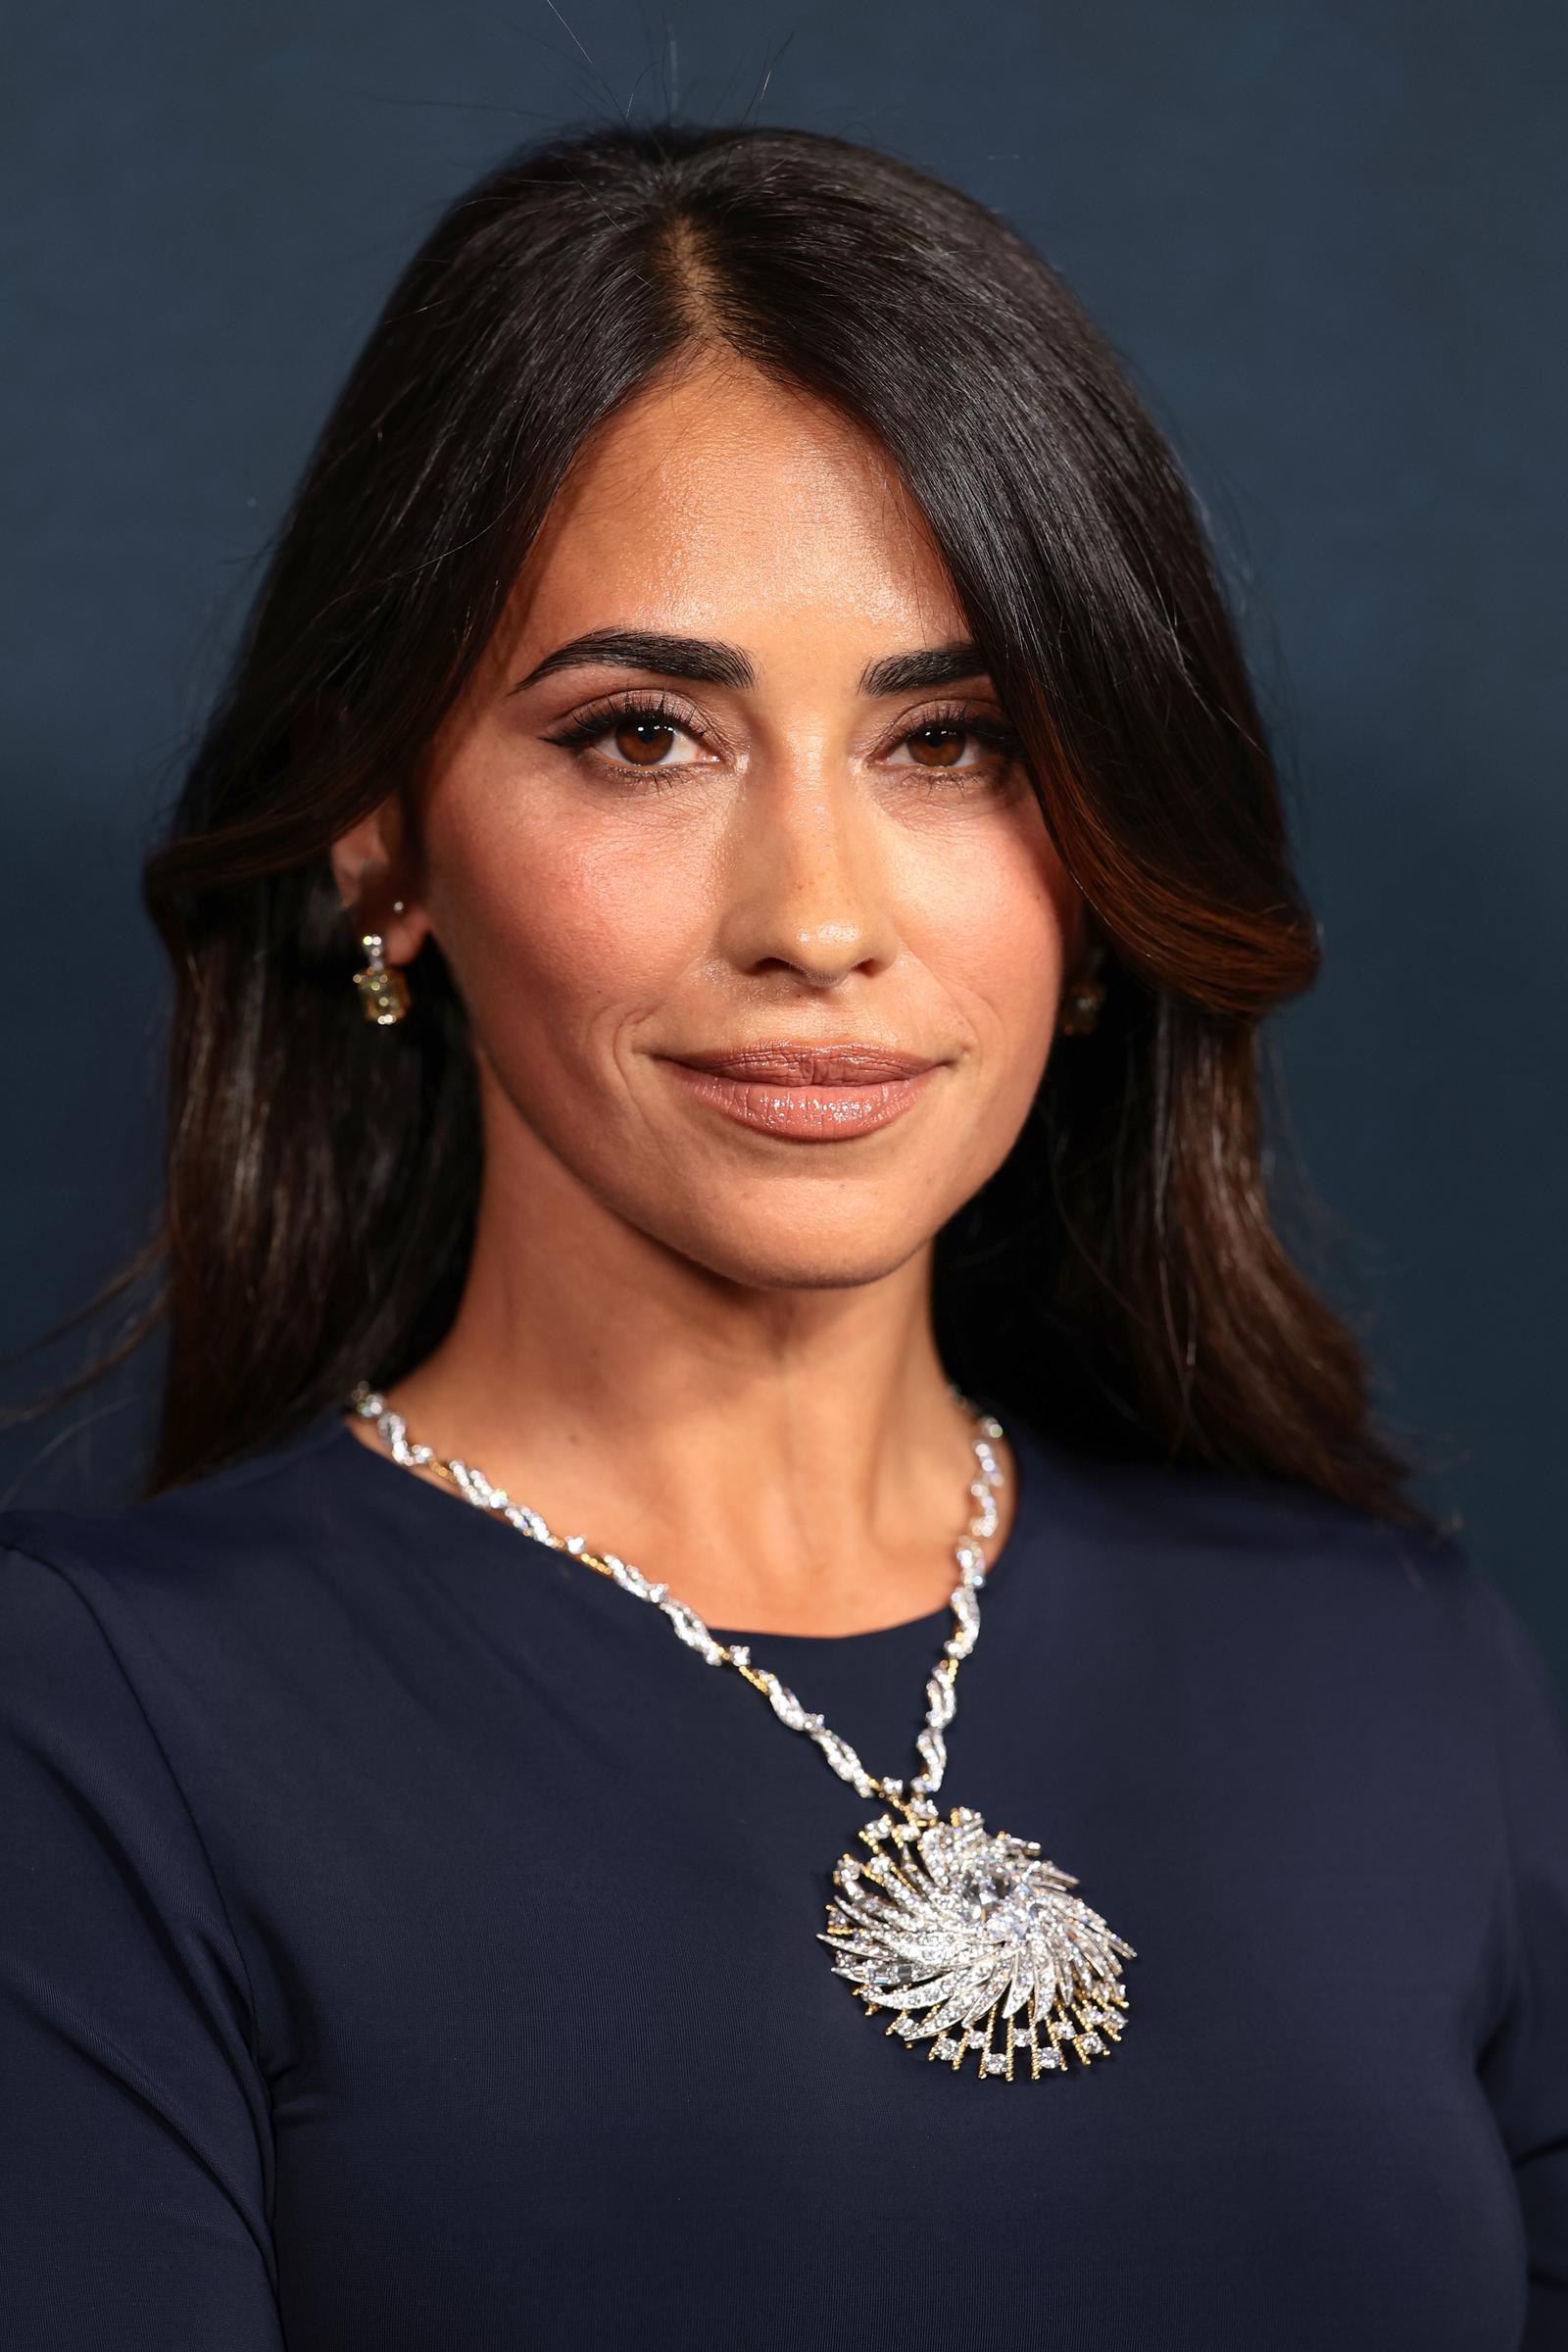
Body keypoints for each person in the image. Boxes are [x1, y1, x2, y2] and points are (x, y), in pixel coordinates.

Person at [2, 119, 1564, 2352]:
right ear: (381, 844)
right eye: (642, 735)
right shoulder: (90, 1729)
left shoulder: (1400, 1675)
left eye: (951, 747)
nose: (816, 920)